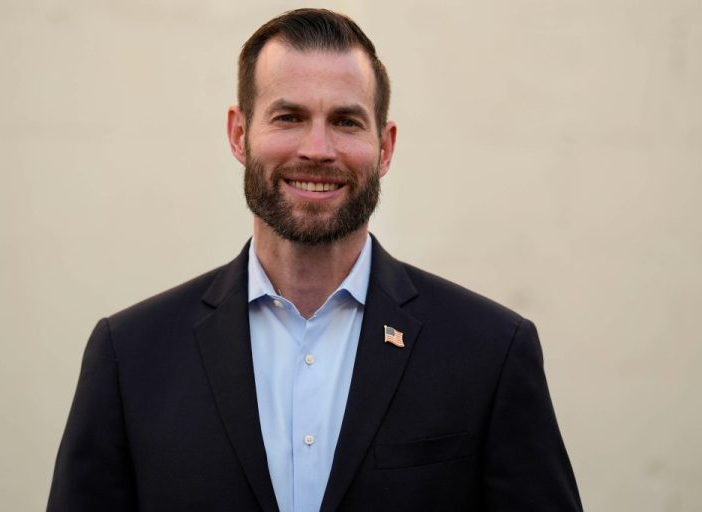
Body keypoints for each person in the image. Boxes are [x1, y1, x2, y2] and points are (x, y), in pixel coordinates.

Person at [48, 8, 582, 512]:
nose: (318, 150)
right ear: (239, 134)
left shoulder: (489, 353)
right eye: (289, 117)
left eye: (347, 122)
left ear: (385, 147)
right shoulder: (130, 357)